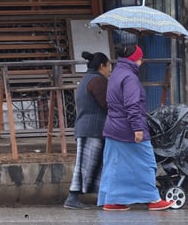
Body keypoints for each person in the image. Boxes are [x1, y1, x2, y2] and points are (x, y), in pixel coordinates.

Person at [97, 44, 175, 211]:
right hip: (128, 129)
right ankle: (153, 199)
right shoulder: (130, 78)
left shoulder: (115, 74)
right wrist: (137, 129)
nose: (142, 61)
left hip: (113, 127)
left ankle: (113, 201)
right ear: (135, 59)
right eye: (141, 58)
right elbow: (132, 105)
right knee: (146, 163)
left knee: (115, 166)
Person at [63, 51, 111, 209]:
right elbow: (107, 104)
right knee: (84, 164)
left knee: (94, 164)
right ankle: (72, 197)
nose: (110, 69)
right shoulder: (98, 81)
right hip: (92, 129)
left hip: (88, 128)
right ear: (101, 65)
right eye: (108, 65)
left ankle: (104, 197)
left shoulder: (86, 79)